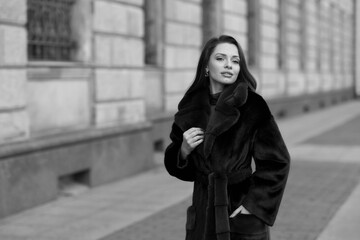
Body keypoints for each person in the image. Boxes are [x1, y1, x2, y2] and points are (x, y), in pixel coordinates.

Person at [164, 35, 290, 240]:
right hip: (203, 211)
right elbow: (184, 171)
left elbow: (277, 161)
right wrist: (183, 152)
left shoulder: (252, 105)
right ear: (206, 65)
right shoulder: (190, 108)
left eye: (235, 60)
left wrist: (253, 206)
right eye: (221, 58)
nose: (229, 65)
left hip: (239, 209)